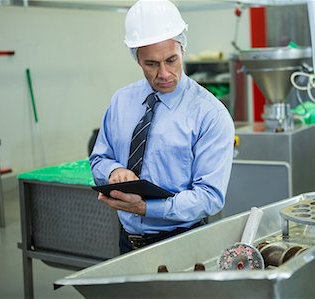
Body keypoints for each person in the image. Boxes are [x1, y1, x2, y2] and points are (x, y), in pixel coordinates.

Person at [89, 0, 235, 254]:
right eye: (152, 64)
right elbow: (99, 157)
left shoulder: (210, 114)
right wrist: (114, 171)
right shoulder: (121, 101)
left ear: (183, 49)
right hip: (127, 241)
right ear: (137, 59)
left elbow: (209, 197)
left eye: (171, 60)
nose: (165, 73)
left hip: (183, 242)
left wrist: (146, 208)